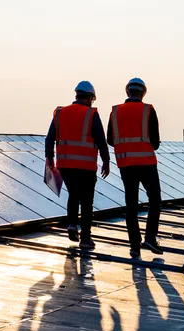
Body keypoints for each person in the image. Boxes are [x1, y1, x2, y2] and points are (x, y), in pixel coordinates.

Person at [45, 81, 110, 250]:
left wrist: (49, 158)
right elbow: (101, 141)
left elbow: (49, 138)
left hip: (65, 165)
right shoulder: (91, 114)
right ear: (90, 98)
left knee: (73, 193)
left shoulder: (60, 113)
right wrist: (106, 161)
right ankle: (86, 239)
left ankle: (72, 223)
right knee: (87, 201)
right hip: (86, 166)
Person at [107, 77, 162, 256]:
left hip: (126, 165)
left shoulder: (115, 112)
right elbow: (155, 143)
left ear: (127, 91)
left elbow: (110, 139)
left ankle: (134, 245)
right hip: (147, 164)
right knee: (155, 200)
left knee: (131, 205)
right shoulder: (148, 110)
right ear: (143, 93)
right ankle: (150, 238)